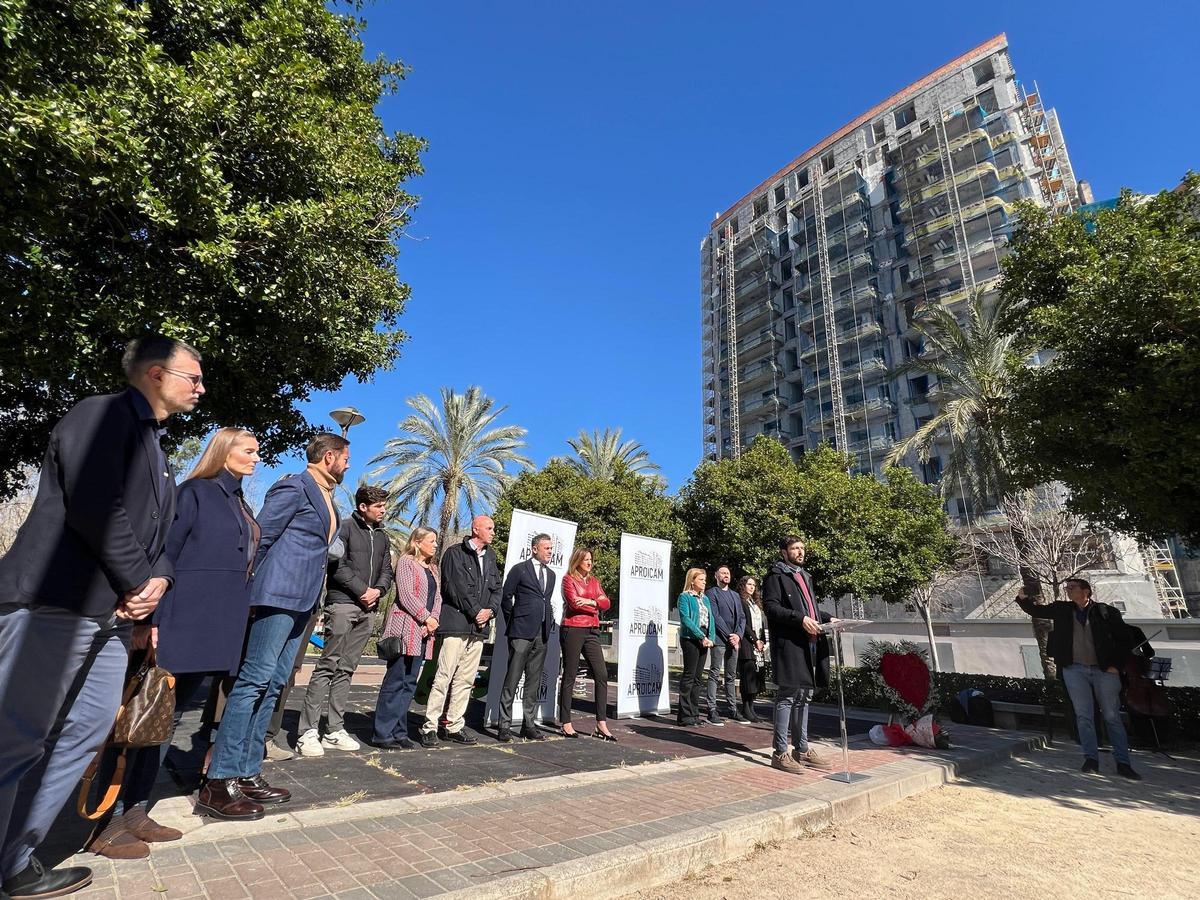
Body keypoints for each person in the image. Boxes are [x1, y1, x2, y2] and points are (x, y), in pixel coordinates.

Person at [0, 335, 203, 898]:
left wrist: (158, 579)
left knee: (88, 731)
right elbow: (94, 504)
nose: (201, 388)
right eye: (194, 376)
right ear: (158, 374)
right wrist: (140, 579)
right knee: (15, 736)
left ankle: (15, 857)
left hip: (111, 616)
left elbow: (163, 536)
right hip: (55, 601)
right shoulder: (102, 413)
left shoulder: (157, 448)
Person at [86, 428, 261, 860]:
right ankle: (103, 821)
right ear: (223, 452)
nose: (257, 458)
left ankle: (135, 811)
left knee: (166, 720)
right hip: (179, 623)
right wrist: (152, 620)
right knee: (135, 719)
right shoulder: (194, 493)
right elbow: (163, 555)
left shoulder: (238, 501)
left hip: (213, 630)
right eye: (249, 450)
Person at [196, 432, 349, 820]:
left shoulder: (327, 496)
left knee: (275, 683)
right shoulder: (294, 487)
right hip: (276, 597)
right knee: (254, 680)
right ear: (329, 456)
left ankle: (247, 772)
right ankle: (220, 779)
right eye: (345, 457)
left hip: (304, 603)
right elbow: (259, 539)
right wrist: (244, 595)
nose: (348, 464)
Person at [297, 486, 396, 757]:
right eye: (378, 506)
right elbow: (337, 566)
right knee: (328, 665)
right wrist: (362, 590)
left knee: (347, 669)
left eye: (383, 505)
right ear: (363, 506)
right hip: (342, 604)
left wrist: (379, 591)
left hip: (368, 609)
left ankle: (334, 730)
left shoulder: (383, 537)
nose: (383, 510)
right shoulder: (345, 528)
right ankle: (307, 731)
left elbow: (387, 570)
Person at [1015, 579, 1142, 780]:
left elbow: (1125, 640)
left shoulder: (1105, 612)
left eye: (1072, 587)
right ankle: (1091, 758)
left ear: (1086, 591)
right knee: (1083, 716)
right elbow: (1038, 612)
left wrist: (1115, 666)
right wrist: (1023, 599)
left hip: (1104, 671)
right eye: (1067, 588)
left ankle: (1123, 762)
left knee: (1111, 716)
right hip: (1074, 669)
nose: (1068, 590)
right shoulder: (1062, 609)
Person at [419, 515, 502, 748]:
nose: (493, 532)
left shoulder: (491, 556)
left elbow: (497, 588)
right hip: (456, 624)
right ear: (476, 529)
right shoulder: (455, 553)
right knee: (444, 676)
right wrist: (477, 611)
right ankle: (430, 726)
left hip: (478, 629)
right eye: (489, 528)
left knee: (466, 679)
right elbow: (455, 587)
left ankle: (453, 725)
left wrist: (490, 612)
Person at [762, 536, 832, 774]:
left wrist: (828, 618)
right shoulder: (775, 576)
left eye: (802, 548)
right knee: (788, 695)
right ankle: (780, 752)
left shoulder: (805, 576)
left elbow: (809, 608)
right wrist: (800, 620)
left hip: (810, 642)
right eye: (795, 548)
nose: (800, 552)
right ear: (784, 552)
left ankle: (801, 748)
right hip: (791, 643)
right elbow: (771, 608)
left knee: (806, 695)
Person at [371, 528, 442, 748]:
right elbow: (406, 594)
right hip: (405, 629)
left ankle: (400, 731)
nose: (435, 545)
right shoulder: (406, 563)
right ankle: (383, 733)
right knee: (395, 681)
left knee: (410, 683)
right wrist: (425, 617)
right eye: (432, 541)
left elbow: (437, 598)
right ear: (418, 542)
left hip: (423, 633)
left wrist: (432, 621)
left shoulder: (433, 569)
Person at [497, 534, 557, 742]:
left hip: (542, 634)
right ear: (534, 549)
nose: (550, 551)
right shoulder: (520, 569)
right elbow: (506, 596)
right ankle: (504, 725)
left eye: (551, 548)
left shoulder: (551, 575)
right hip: (521, 631)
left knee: (534, 680)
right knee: (512, 678)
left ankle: (528, 725)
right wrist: (513, 620)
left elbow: (545, 600)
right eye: (546, 548)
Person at [558, 549, 615, 741]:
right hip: (572, 629)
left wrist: (591, 601)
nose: (590, 563)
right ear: (577, 561)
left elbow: (606, 602)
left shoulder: (594, 581)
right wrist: (595, 603)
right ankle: (566, 722)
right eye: (586, 560)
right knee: (570, 674)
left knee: (602, 674)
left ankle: (601, 723)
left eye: (591, 560)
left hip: (592, 630)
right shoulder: (568, 580)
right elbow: (574, 604)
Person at [704, 565, 746, 725]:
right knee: (714, 673)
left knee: (731, 676)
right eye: (722, 572)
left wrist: (738, 636)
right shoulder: (711, 593)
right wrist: (730, 636)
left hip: (734, 640)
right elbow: (715, 616)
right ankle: (711, 709)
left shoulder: (735, 595)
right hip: (720, 640)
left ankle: (733, 709)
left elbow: (742, 617)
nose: (726, 575)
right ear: (716, 575)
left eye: (728, 573)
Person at [675, 568, 715, 727]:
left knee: (698, 678)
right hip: (691, 638)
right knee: (689, 676)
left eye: (705, 580)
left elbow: (711, 619)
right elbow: (686, 619)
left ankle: (694, 712)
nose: (704, 582)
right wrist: (701, 636)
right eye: (701, 580)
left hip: (705, 638)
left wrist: (710, 638)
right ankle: (684, 715)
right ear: (692, 581)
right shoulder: (684, 597)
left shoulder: (705, 599)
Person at [736, 576, 767, 723]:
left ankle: (752, 707)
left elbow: (762, 624)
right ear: (743, 585)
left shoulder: (756, 604)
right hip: (747, 645)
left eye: (754, 585)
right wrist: (755, 640)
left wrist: (762, 641)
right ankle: (746, 708)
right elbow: (744, 624)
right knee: (747, 678)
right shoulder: (741, 602)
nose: (752, 587)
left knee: (757, 677)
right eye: (749, 584)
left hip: (758, 646)